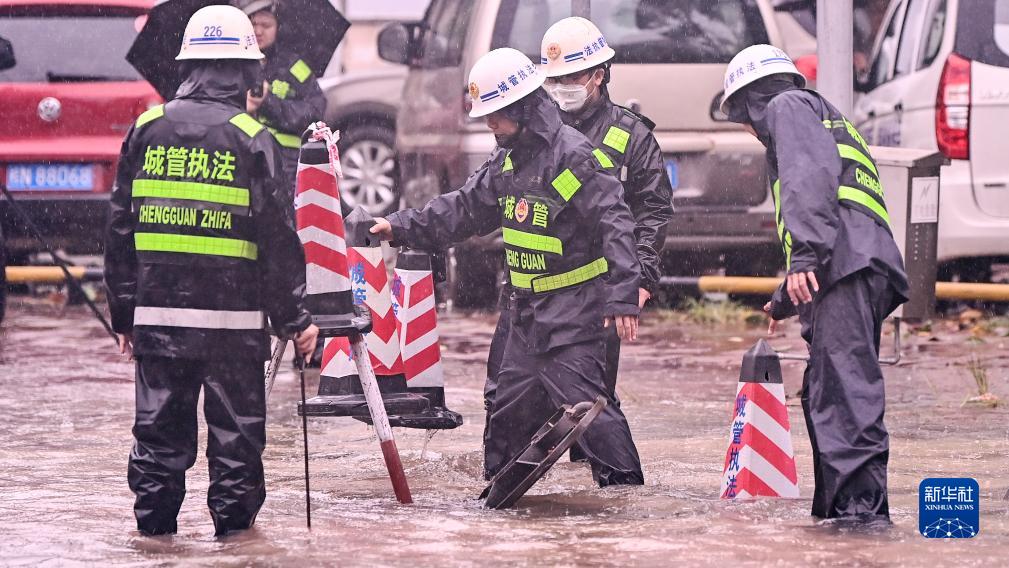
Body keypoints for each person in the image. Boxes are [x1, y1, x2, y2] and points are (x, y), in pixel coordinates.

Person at [370, 48, 645, 487]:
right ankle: (499, 493)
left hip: (574, 315)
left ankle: (626, 497)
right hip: (525, 317)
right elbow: (463, 208)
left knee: (591, 415)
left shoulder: (571, 157)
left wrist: (623, 296)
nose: (489, 124)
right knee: (506, 417)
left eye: (496, 115)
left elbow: (615, 221)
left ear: (524, 108)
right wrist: (399, 226)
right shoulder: (509, 160)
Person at [104, 5, 319, 537]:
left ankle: (154, 544)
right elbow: (276, 240)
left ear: (187, 66)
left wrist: (123, 314)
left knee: (157, 442)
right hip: (233, 329)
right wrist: (296, 318)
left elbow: (119, 231)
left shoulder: (146, 129)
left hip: (159, 323)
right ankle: (237, 547)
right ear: (246, 69)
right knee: (236, 448)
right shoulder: (252, 138)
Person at [720, 44, 909, 522]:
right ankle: (841, 516)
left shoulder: (788, 107)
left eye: (740, 116)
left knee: (844, 393)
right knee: (830, 389)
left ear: (750, 101)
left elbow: (811, 179)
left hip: (844, 266)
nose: (746, 129)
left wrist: (805, 255)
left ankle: (859, 519)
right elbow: (832, 196)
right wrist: (785, 297)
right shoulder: (818, 115)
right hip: (851, 265)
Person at [482, 18, 673, 463]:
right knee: (504, 398)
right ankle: (512, 490)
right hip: (529, 294)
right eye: (551, 79)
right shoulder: (528, 134)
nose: (560, 87)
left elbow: (652, 212)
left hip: (594, 294)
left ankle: (603, 501)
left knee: (589, 404)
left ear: (598, 76)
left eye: (569, 77)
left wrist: (638, 280)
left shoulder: (631, 135)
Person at [235, 0, 326, 202]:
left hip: (285, 165)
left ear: (278, 28)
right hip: (238, 158)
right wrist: (244, 108)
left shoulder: (295, 68)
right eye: (252, 24)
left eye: (266, 25)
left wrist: (268, 102)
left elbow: (314, 113)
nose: (258, 31)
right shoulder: (231, 64)